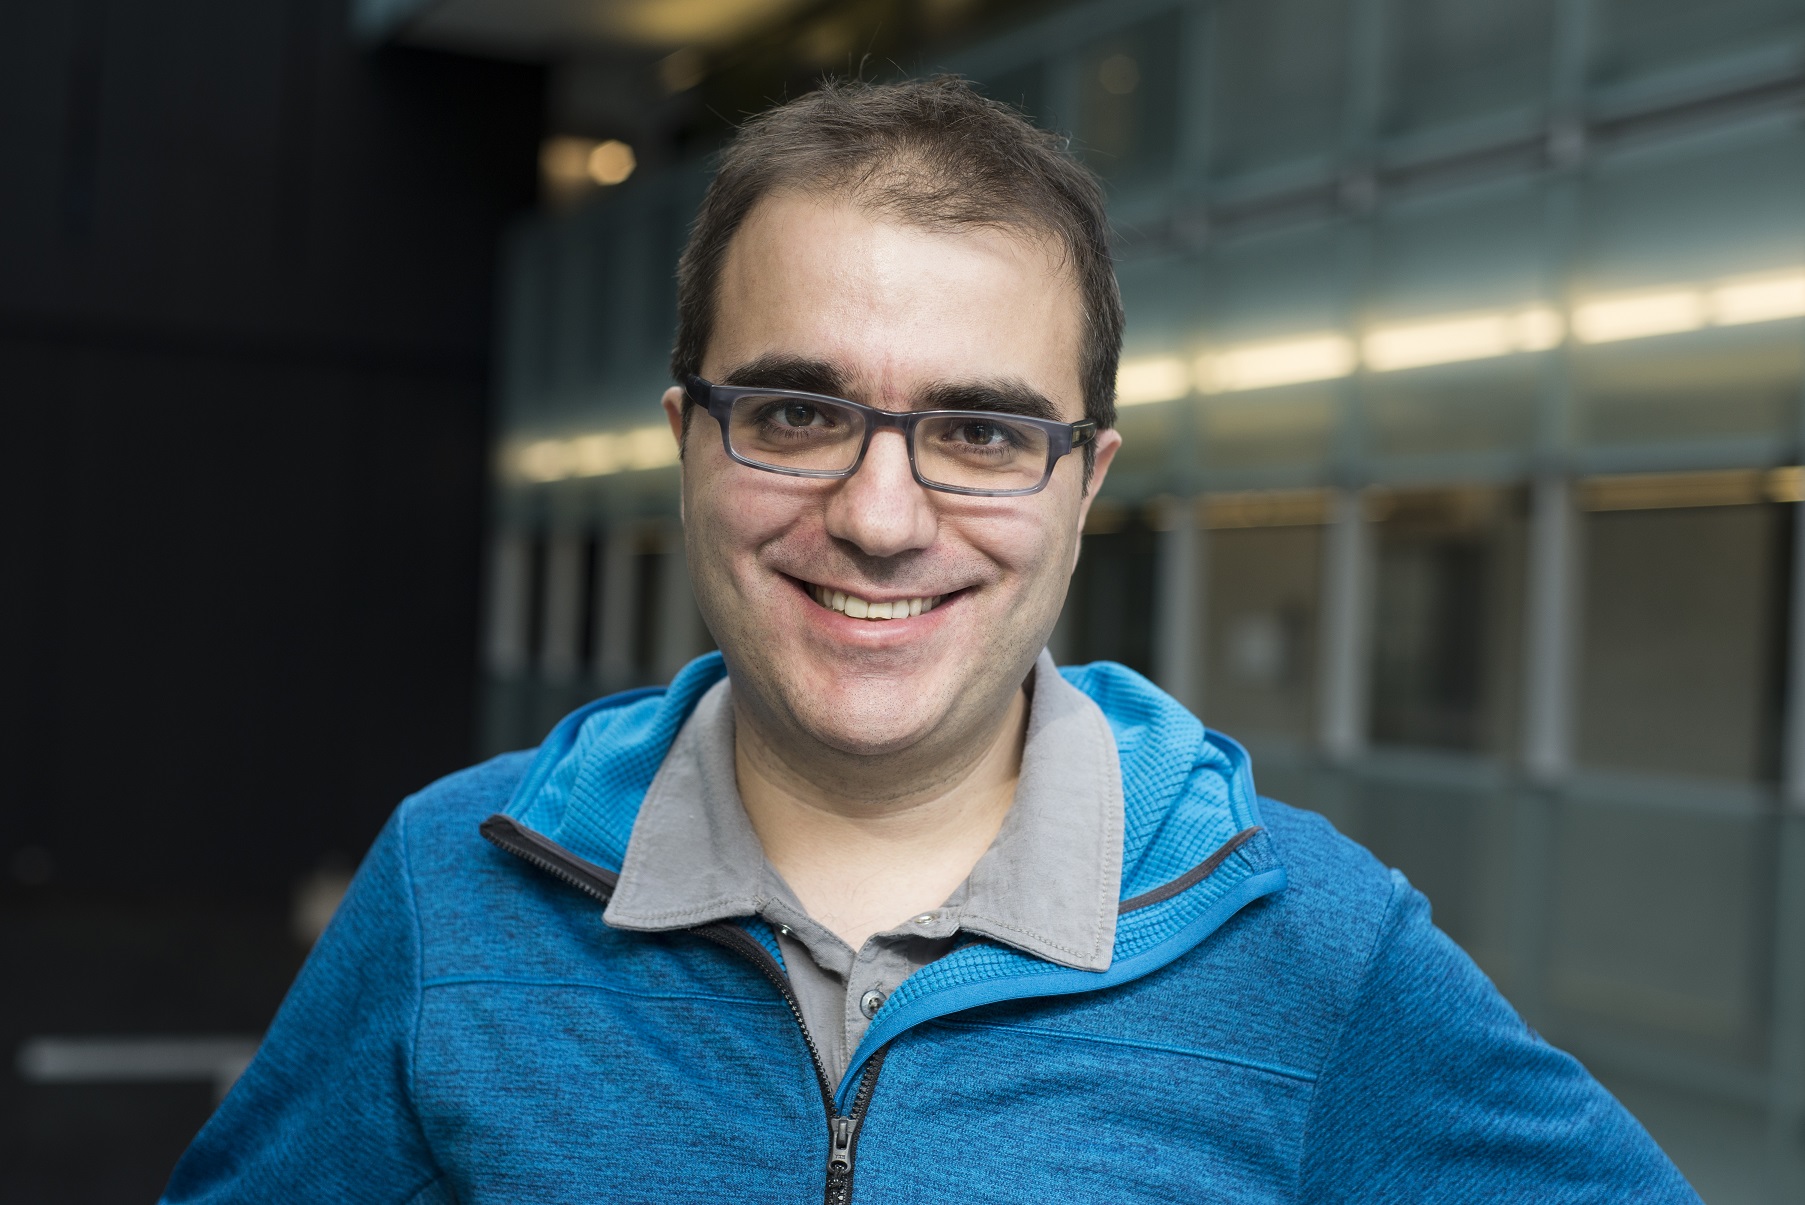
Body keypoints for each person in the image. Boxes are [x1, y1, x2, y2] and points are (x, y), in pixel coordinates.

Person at [163, 76, 1698, 1204]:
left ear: (1084, 482)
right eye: (794, 412)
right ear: (689, 443)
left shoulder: (1308, 944)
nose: (882, 515)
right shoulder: (455, 888)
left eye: (977, 429)